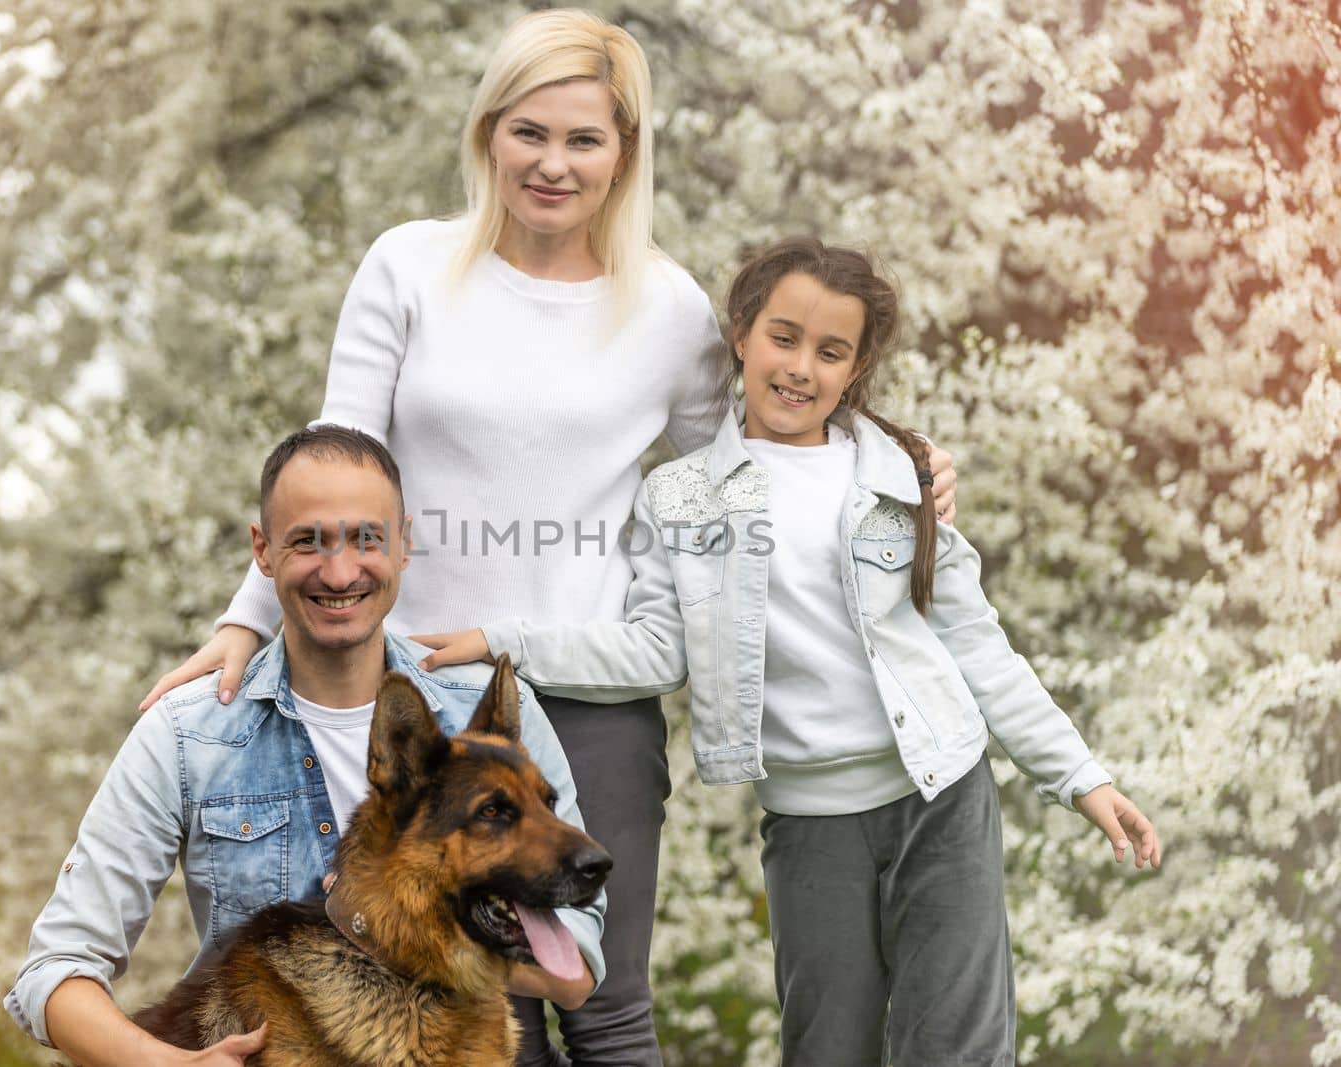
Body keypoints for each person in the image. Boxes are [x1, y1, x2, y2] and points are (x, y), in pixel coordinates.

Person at [138, 11, 959, 1065]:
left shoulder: (663, 306)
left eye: (584, 139)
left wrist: (893, 463)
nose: (553, 164)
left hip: (592, 702)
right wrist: (243, 624)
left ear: (624, 153)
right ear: (489, 132)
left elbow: (755, 464)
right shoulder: (407, 267)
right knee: (466, 1010)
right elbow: (329, 469)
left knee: (604, 1006)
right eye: (530, 133)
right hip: (428, 711)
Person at [415, 237, 1163, 1066]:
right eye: (783, 337)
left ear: (857, 365)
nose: (800, 366)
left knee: (956, 1046)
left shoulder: (897, 475)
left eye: (830, 350)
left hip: (941, 795)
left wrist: (1080, 778)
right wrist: (504, 639)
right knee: (826, 1046)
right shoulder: (681, 494)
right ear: (740, 333)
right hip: (812, 825)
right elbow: (655, 650)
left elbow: (978, 644)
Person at [6, 426, 604, 1066]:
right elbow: (53, 971)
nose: (341, 571)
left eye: (366, 539)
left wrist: (386, 922)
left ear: (405, 544)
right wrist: (171, 1065)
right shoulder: (187, 732)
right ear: (262, 552)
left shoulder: (483, 715)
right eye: (308, 541)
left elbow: (575, 974)